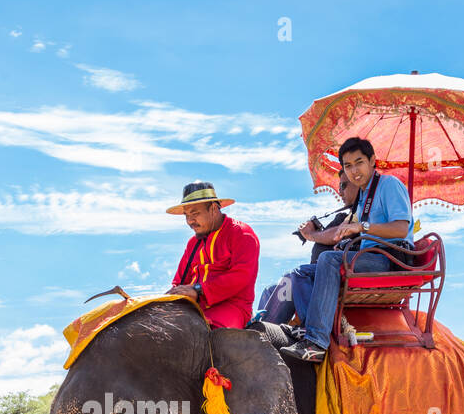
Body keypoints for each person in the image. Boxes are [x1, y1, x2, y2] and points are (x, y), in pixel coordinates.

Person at [276, 137, 414, 363]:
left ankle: (316, 343)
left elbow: (400, 228)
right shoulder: (363, 195)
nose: (354, 171)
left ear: (372, 161)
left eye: (359, 162)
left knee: (329, 260)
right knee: (300, 272)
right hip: (367, 256)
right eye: (348, 166)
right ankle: (308, 328)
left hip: (387, 258)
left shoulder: (389, 185)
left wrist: (362, 226)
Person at [253, 171, 358, 326]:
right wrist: (316, 231)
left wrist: (310, 234)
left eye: (343, 185)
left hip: (329, 275)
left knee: (291, 278)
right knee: (270, 290)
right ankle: (261, 331)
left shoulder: (358, 213)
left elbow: (336, 235)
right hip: (316, 274)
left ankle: (294, 330)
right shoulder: (349, 213)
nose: (340, 191)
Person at [166, 181, 260, 329]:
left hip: (232, 308)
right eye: (187, 215)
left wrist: (198, 290)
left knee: (203, 332)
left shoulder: (242, 234)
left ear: (214, 209)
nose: (190, 221)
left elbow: (240, 276)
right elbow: (180, 281)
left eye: (195, 213)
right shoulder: (192, 243)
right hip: (193, 307)